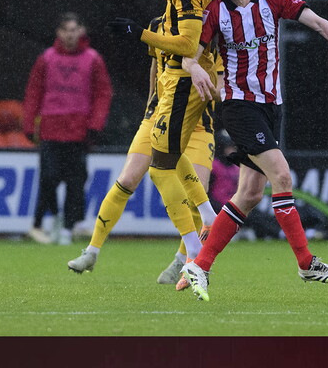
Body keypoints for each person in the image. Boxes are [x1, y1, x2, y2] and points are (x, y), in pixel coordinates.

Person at [179, 0, 328, 301]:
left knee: (250, 194)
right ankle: (306, 263)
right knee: (282, 177)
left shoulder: (272, 0)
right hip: (240, 106)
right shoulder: (215, 11)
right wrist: (194, 68)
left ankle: (200, 265)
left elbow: (318, 23)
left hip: (271, 107)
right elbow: (188, 55)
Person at [67, 16, 224, 286]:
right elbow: (155, 67)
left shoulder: (207, 32)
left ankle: (182, 260)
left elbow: (220, 85)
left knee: (197, 193)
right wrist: (152, 104)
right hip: (158, 116)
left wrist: (206, 87)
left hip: (198, 125)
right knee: (128, 179)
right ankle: (91, 251)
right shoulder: (157, 25)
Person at [103, 0, 223, 268]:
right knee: (169, 157)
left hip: (184, 82)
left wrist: (139, 33)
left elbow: (187, 45)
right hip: (185, 81)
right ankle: (206, 218)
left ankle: (195, 247)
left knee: (159, 168)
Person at [23, 12, 113, 245]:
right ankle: (55, 218)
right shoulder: (47, 58)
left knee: (75, 182)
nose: (70, 35)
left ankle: (69, 227)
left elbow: (103, 93)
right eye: (65, 30)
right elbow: (34, 91)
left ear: (81, 31)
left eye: (74, 30)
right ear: (58, 32)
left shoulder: (93, 59)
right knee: (49, 178)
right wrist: (28, 123)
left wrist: (95, 124)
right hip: (51, 128)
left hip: (78, 130)